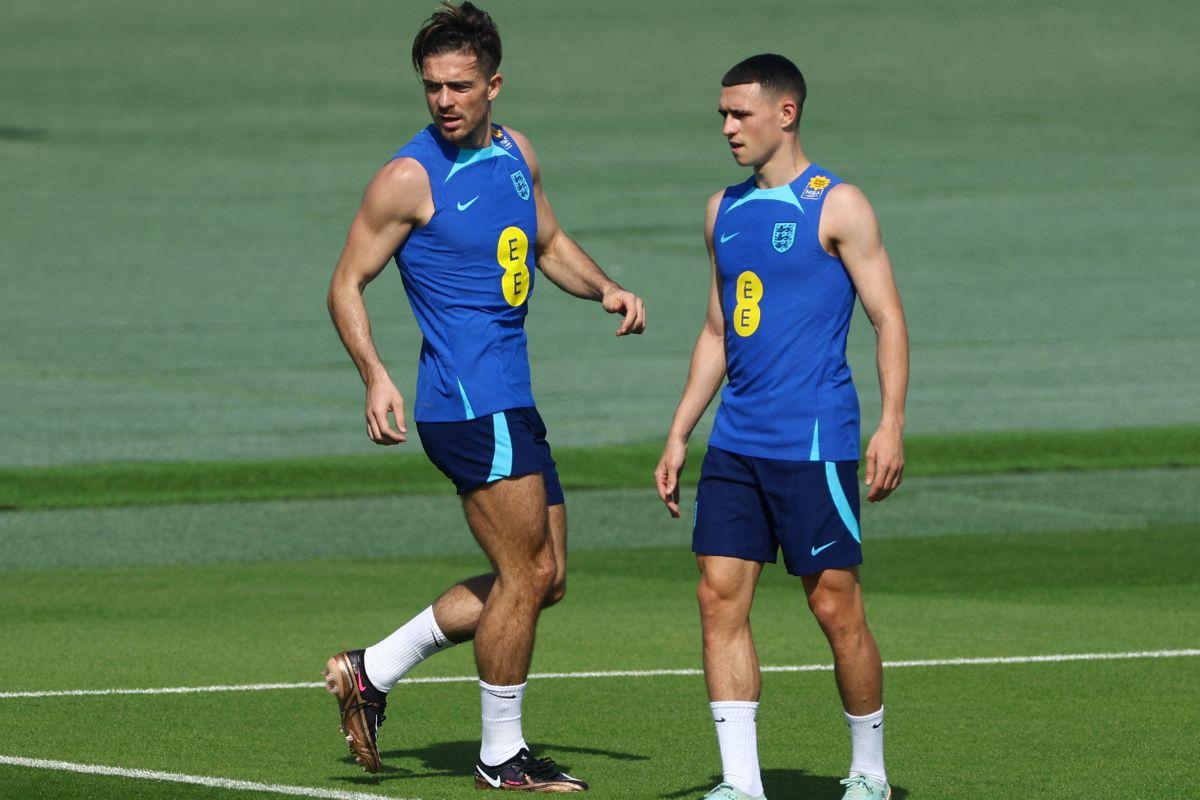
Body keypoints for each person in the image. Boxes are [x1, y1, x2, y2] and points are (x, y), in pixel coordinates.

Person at [322, 2, 645, 790]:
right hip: (466, 403)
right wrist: (375, 375)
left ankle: (372, 670)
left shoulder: (514, 154)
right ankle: (501, 756)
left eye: (459, 85)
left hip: (512, 399)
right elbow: (346, 284)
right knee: (526, 576)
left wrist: (603, 288)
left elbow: (548, 243)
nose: (443, 100)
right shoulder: (409, 177)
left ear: (493, 84)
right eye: (432, 86)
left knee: (547, 578)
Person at [654, 54, 908, 800]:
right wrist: (680, 432)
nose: (728, 127)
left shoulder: (839, 205)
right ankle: (742, 784)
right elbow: (714, 332)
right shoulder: (721, 210)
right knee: (716, 596)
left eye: (741, 113)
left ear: (786, 113)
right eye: (723, 115)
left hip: (815, 442)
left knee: (834, 603)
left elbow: (887, 318)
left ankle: (868, 771)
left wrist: (890, 424)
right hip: (736, 443)